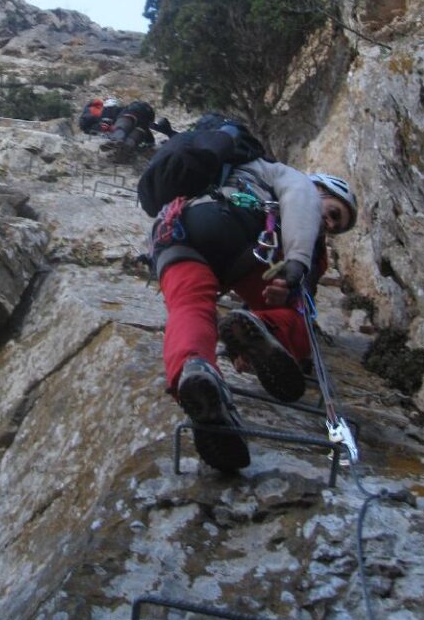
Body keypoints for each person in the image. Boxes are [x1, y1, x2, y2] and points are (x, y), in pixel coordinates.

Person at [150, 165, 358, 473]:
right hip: (238, 234)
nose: (328, 224)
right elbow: (303, 298)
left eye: (335, 226)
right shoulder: (294, 182)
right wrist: (298, 265)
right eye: (333, 213)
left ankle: (195, 374)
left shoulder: (242, 170)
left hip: (174, 232)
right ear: (321, 190)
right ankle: (268, 330)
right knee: (296, 321)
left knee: (189, 308)